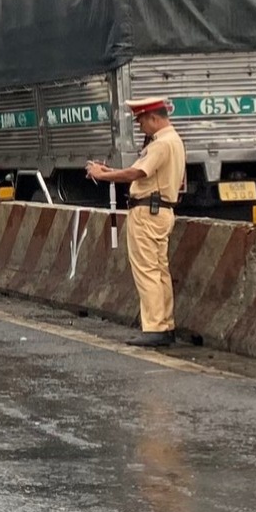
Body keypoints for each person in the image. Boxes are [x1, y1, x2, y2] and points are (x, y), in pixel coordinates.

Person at [85, 97, 186, 347]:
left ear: (154, 118)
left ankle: (155, 328)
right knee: (159, 269)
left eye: (141, 121)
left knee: (147, 270)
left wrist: (102, 176)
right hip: (160, 211)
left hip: (148, 213)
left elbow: (138, 173)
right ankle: (164, 325)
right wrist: (108, 171)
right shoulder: (171, 140)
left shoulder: (162, 144)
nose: (141, 127)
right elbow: (141, 171)